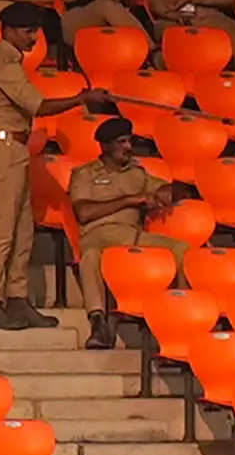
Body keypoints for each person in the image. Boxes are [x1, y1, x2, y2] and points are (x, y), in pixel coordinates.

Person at [0, 9, 80, 330]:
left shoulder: (9, 60)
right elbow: (39, 106)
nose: (34, 38)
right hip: (3, 146)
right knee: (3, 230)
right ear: (10, 30)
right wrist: (81, 97)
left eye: (36, 32)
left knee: (22, 229)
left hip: (13, 146)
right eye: (28, 31)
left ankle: (17, 298)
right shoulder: (1, 61)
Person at [62, 117, 177, 345]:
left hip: (133, 239)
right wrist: (129, 200)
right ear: (104, 146)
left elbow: (168, 188)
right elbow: (83, 213)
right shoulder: (84, 174)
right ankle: (98, 323)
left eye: (129, 141)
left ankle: (180, 314)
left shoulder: (138, 174)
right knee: (90, 258)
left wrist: (168, 190)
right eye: (122, 142)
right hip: (98, 236)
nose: (128, 147)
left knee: (183, 251)